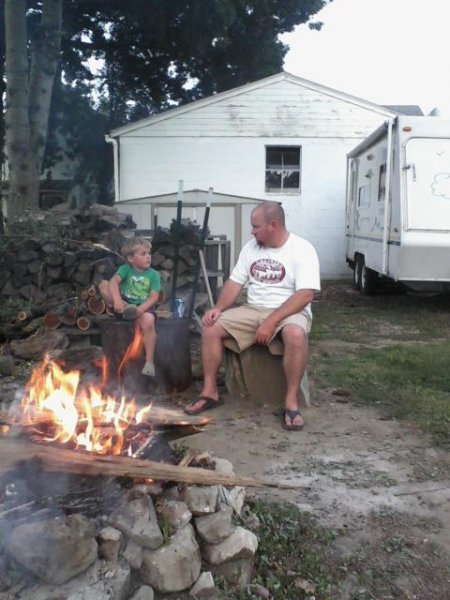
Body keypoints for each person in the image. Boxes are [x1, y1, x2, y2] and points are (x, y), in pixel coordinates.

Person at [184, 201, 320, 431]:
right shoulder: (250, 248)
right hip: (253, 308)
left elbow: (305, 295)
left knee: (295, 334)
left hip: (289, 310)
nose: (252, 231)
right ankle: (210, 392)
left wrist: (271, 321)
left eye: (256, 226)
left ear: (273, 225)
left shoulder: (302, 249)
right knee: (210, 327)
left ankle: (290, 402)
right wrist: (219, 308)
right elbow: (234, 283)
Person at [98, 237, 162, 377]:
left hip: (142, 308)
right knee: (103, 285)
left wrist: (140, 309)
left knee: (149, 322)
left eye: (149, 253)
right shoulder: (125, 269)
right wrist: (118, 301)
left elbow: (154, 297)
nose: (148, 257)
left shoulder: (154, 275)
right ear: (131, 258)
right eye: (143, 254)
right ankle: (127, 309)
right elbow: (114, 282)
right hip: (123, 306)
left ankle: (149, 362)